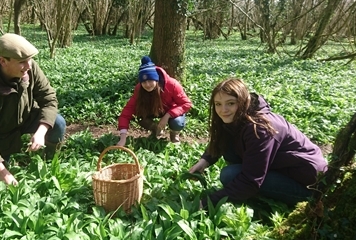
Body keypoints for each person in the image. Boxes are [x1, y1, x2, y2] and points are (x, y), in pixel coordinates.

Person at [189, 78, 327, 208]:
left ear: (243, 101)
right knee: (230, 153)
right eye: (218, 104)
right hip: (283, 166)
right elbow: (222, 139)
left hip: (306, 185)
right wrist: (204, 161)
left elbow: (250, 180)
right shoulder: (241, 116)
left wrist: (206, 203)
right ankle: (243, 188)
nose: (223, 110)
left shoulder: (260, 128)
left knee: (229, 175)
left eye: (230, 103)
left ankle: (253, 194)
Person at [0, 33, 66, 185]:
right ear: (3, 61)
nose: (28, 66)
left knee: (58, 122)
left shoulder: (30, 67)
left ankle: (49, 160)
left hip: (26, 116)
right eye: (22, 62)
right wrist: (3, 172)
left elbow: (49, 98)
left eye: (30, 59)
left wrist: (41, 132)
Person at [117, 56, 192, 146]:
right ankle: (155, 129)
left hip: (170, 110)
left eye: (150, 80)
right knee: (140, 116)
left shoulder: (172, 84)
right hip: (153, 109)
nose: (147, 85)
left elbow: (186, 103)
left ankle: (174, 134)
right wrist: (123, 138)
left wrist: (168, 115)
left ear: (156, 79)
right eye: (144, 82)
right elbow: (127, 112)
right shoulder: (139, 89)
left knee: (177, 122)